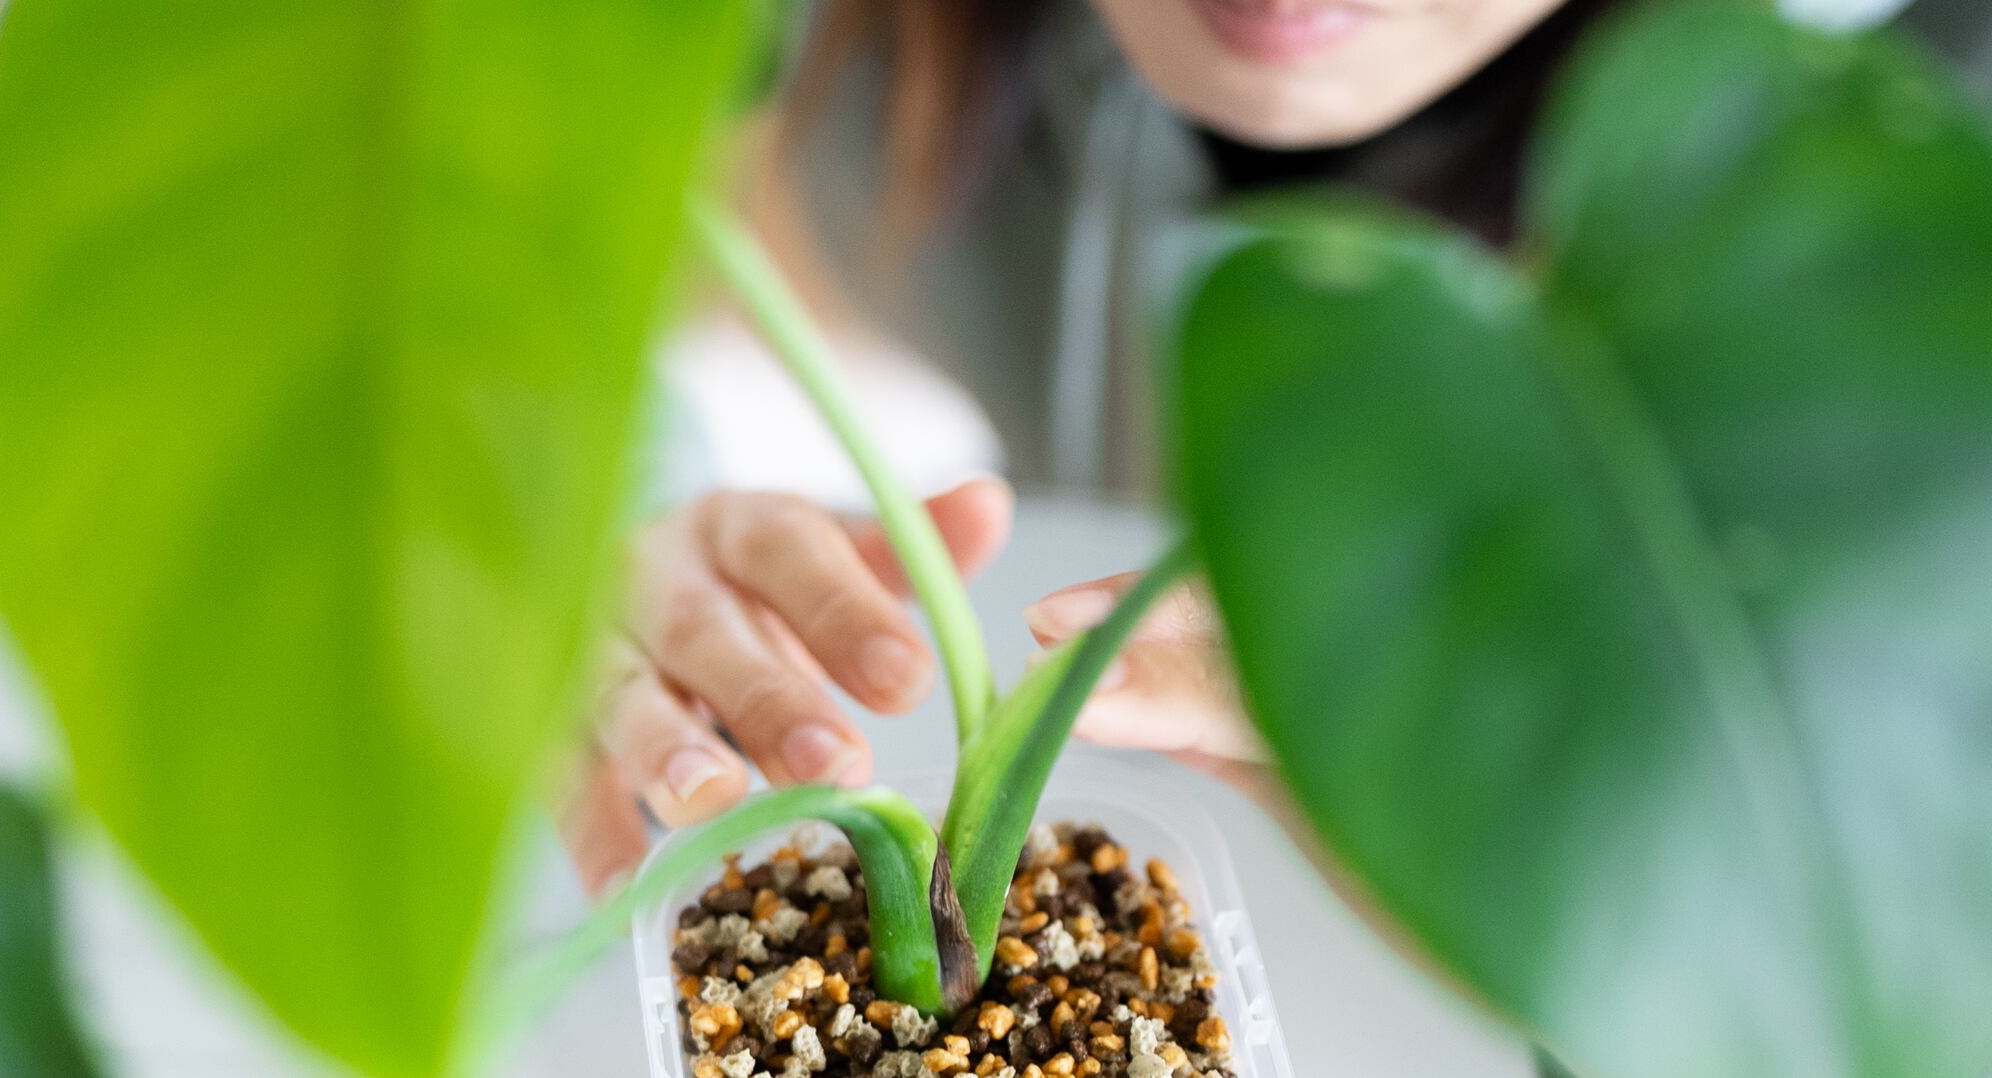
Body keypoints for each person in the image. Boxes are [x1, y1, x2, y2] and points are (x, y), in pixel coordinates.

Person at [565, 0, 1991, 891]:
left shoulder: (1914, 186)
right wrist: (600, 514)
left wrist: (1636, 905)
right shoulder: (941, 58)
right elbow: (571, 269)